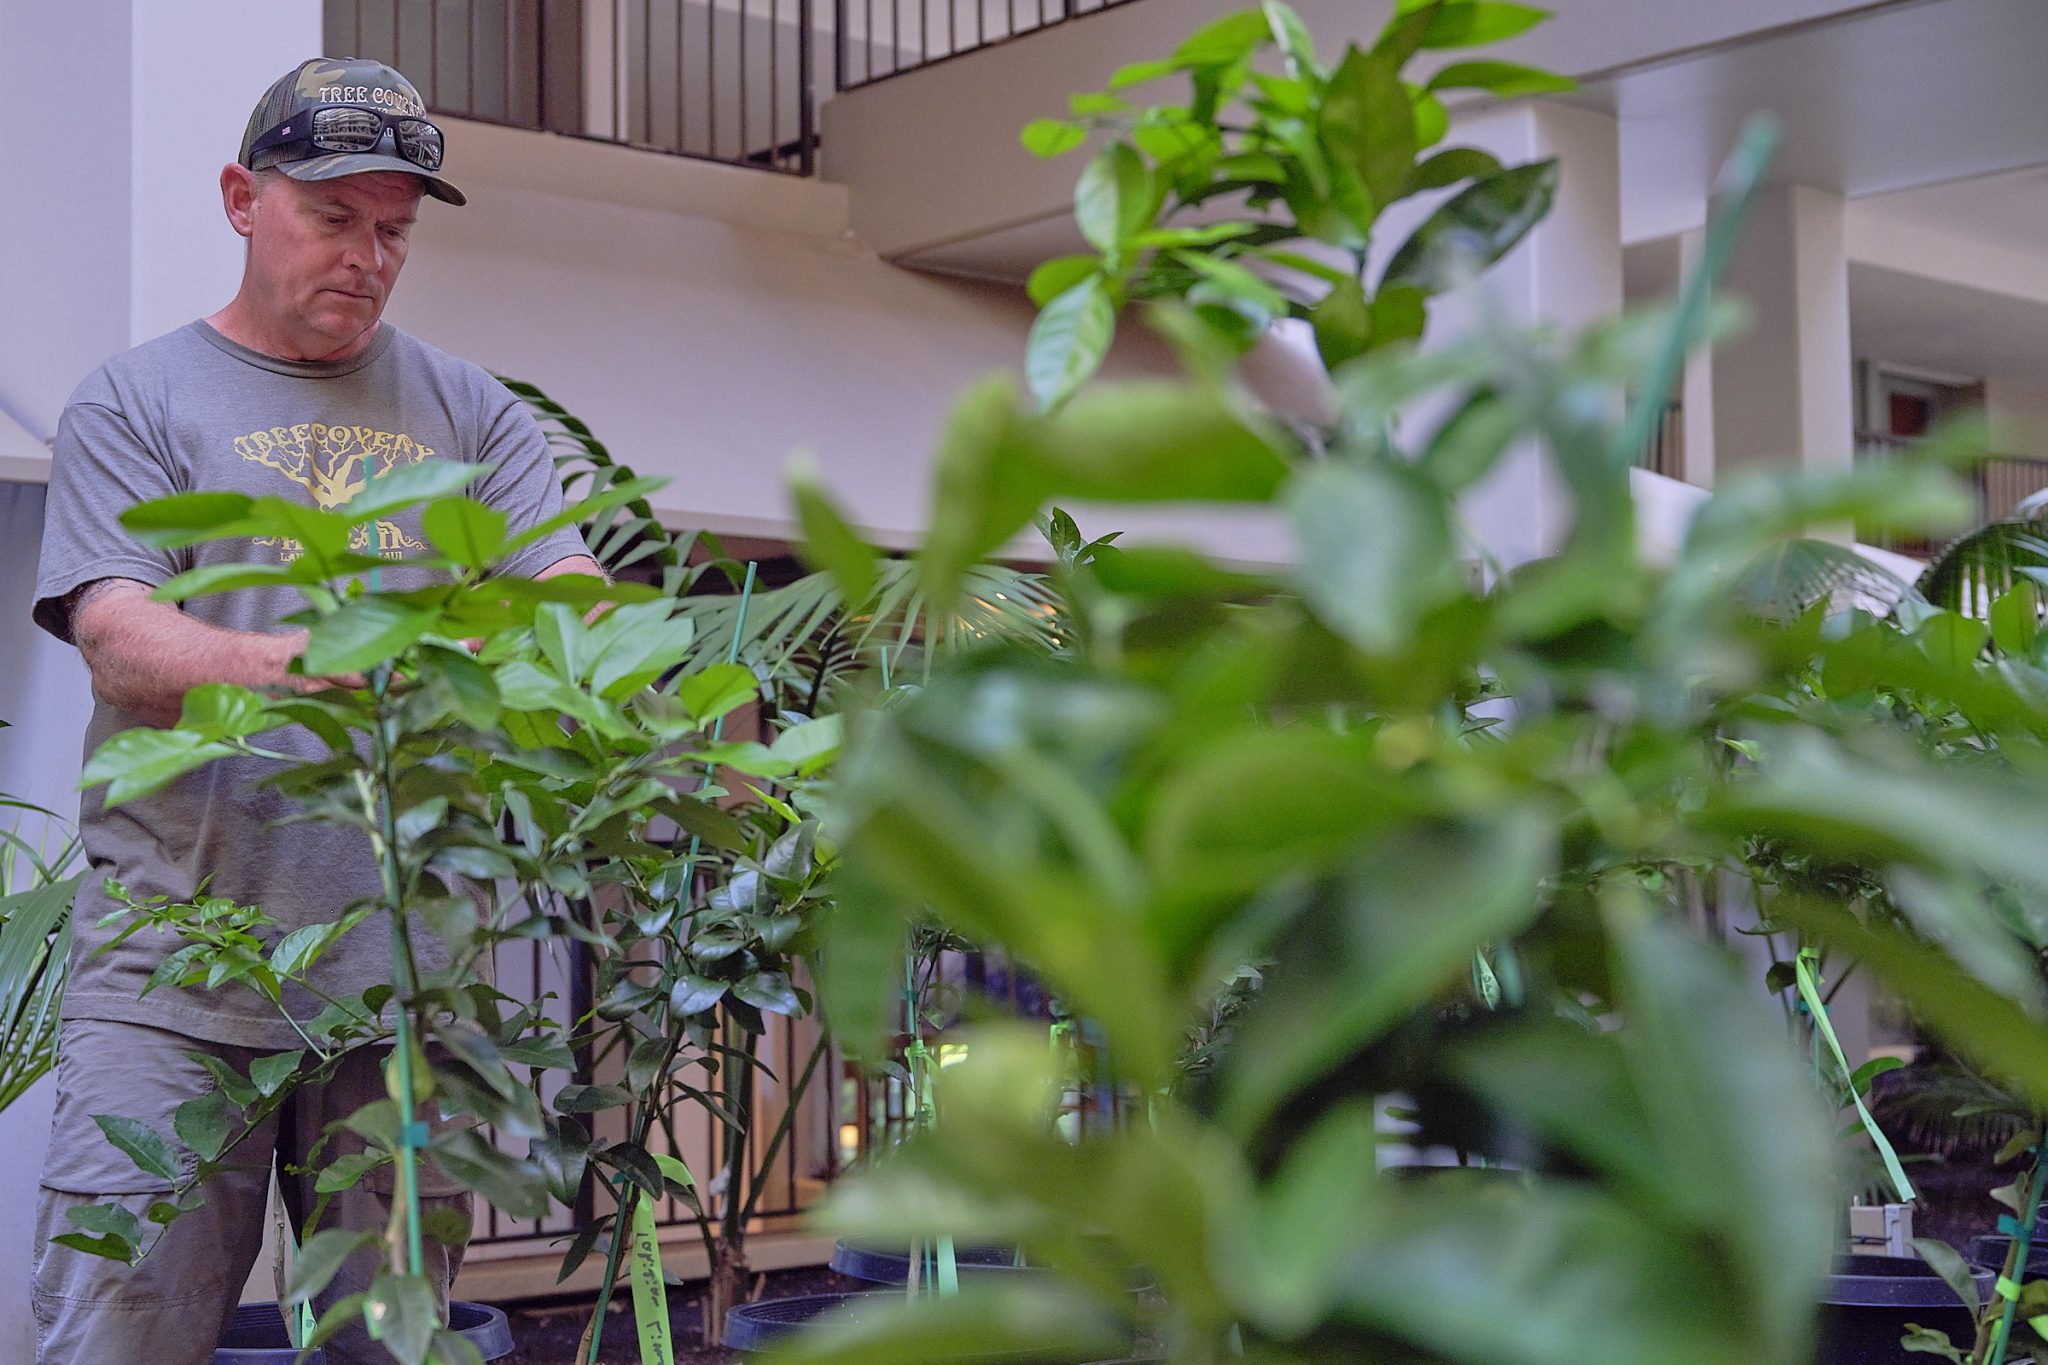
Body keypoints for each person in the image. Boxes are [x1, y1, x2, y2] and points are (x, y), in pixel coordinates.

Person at [28, 57, 602, 1364]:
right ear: (243, 197)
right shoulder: (137, 397)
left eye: (394, 229)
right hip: (174, 975)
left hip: (404, 980)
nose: (369, 256)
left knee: (392, 1345)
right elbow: (119, 636)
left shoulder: (474, 412)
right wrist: (347, 659)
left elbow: (572, 594)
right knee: (110, 1336)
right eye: (333, 217)